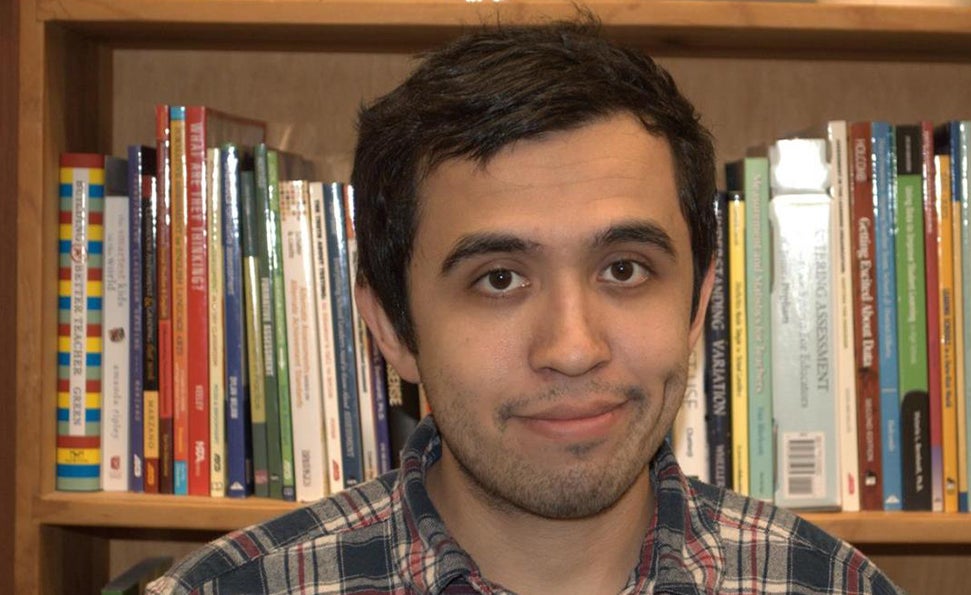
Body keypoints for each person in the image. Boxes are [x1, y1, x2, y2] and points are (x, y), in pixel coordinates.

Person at [148, 17, 902, 595]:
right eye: (499, 278)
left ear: (700, 302)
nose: (573, 347)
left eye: (626, 268)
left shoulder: (828, 581)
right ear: (391, 330)